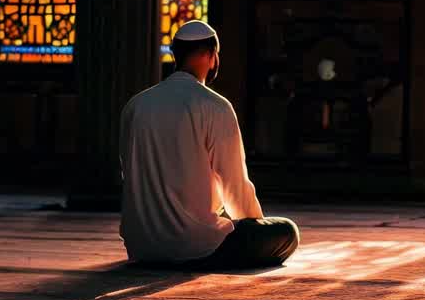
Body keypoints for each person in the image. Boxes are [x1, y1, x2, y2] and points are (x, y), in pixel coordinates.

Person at [118, 20, 300, 269]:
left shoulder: (135, 105)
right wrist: (253, 226)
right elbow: (234, 184)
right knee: (287, 232)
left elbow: (128, 173)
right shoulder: (214, 106)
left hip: (142, 247)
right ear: (212, 55)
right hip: (195, 247)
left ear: (175, 55)